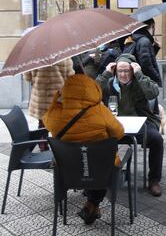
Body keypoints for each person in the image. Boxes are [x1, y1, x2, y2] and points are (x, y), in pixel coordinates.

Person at [43, 74, 124, 224]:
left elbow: (45, 118)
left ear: (65, 91)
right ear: (92, 89)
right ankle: (92, 204)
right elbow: (119, 133)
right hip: (101, 171)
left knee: (86, 162)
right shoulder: (100, 110)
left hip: (69, 172)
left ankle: (91, 205)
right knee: (99, 162)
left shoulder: (55, 116)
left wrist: (56, 96)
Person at [95, 53, 164, 197]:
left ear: (132, 70)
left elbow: (153, 93)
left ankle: (154, 180)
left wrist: (139, 74)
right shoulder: (109, 83)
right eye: (120, 71)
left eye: (127, 71)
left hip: (140, 123)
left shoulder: (140, 81)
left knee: (157, 139)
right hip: (116, 126)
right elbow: (93, 91)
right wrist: (106, 73)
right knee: (97, 139)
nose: (123, 74)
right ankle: (99, 180)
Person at [24, 58, 75, 150]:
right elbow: (70, 76)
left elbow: (27, 78)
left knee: (42, 124)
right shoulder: (64, 57)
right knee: (59, 124)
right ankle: (59, 148)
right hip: (59, 98)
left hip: (40, 98)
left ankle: (43, 146)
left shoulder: (33, 59)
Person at [123, 18, 162, 87]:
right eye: (154, 27)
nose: (154, 29)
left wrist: (156, 47)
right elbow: (146, 65)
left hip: (136, 80)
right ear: (151, 26)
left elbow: (144, 58)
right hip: (144, 83)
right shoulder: (144, 41)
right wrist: (157, 78)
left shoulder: (135, 38)